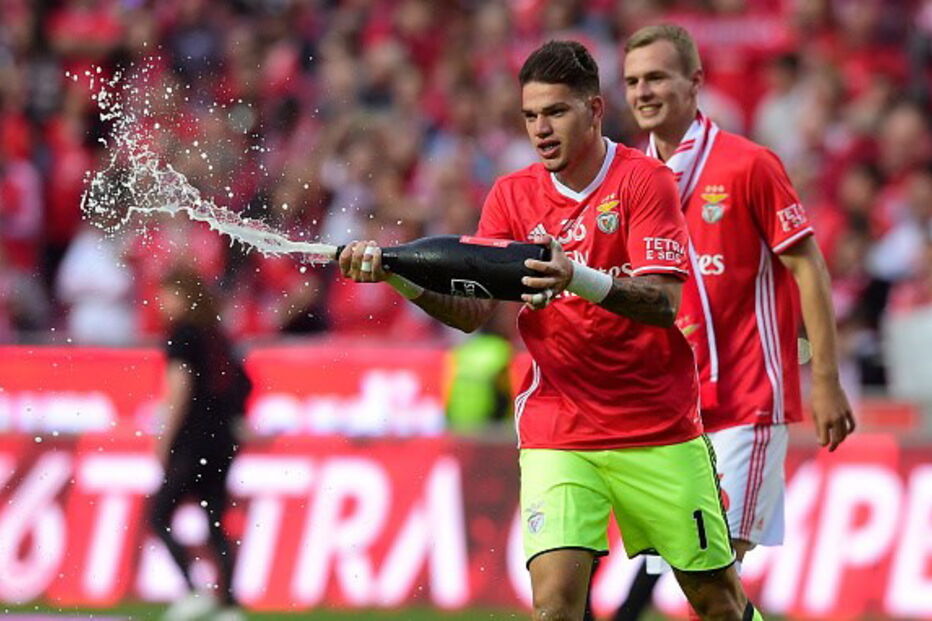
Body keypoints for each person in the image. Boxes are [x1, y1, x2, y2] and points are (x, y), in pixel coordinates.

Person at [340, 40, 766, 621]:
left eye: (556, 112)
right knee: (555, 607)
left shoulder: (645, 182)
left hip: (656, 426)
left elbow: (664, 303)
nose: (541, 129)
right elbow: (473, 311)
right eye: (531, 115)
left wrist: (575, 276)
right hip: (559, 428)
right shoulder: (512, 195)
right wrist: (399, 277)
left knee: (718, 604)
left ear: (594, 109)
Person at [614, 23, 857, 618]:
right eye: (633, 81)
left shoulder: (749, 164)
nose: (643, 92)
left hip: (749, 400)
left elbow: (808, 267)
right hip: (673, 410)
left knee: (716, 575)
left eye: (657, 77)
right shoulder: (627, 180)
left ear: (695, 81)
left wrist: (825, 380)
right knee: (704, 586)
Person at [150, 268, 252, 621]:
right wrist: (234, 419)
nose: (161, 303)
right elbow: (243, 382)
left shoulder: (183, 335)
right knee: (214, 520)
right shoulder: (218, 336)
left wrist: (164, 439)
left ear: (183, 296)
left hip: (193, 440)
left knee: (159, 514)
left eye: (166, 295)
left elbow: (179, 389)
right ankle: (229, 606)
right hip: (222, 441)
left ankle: (193, 592)